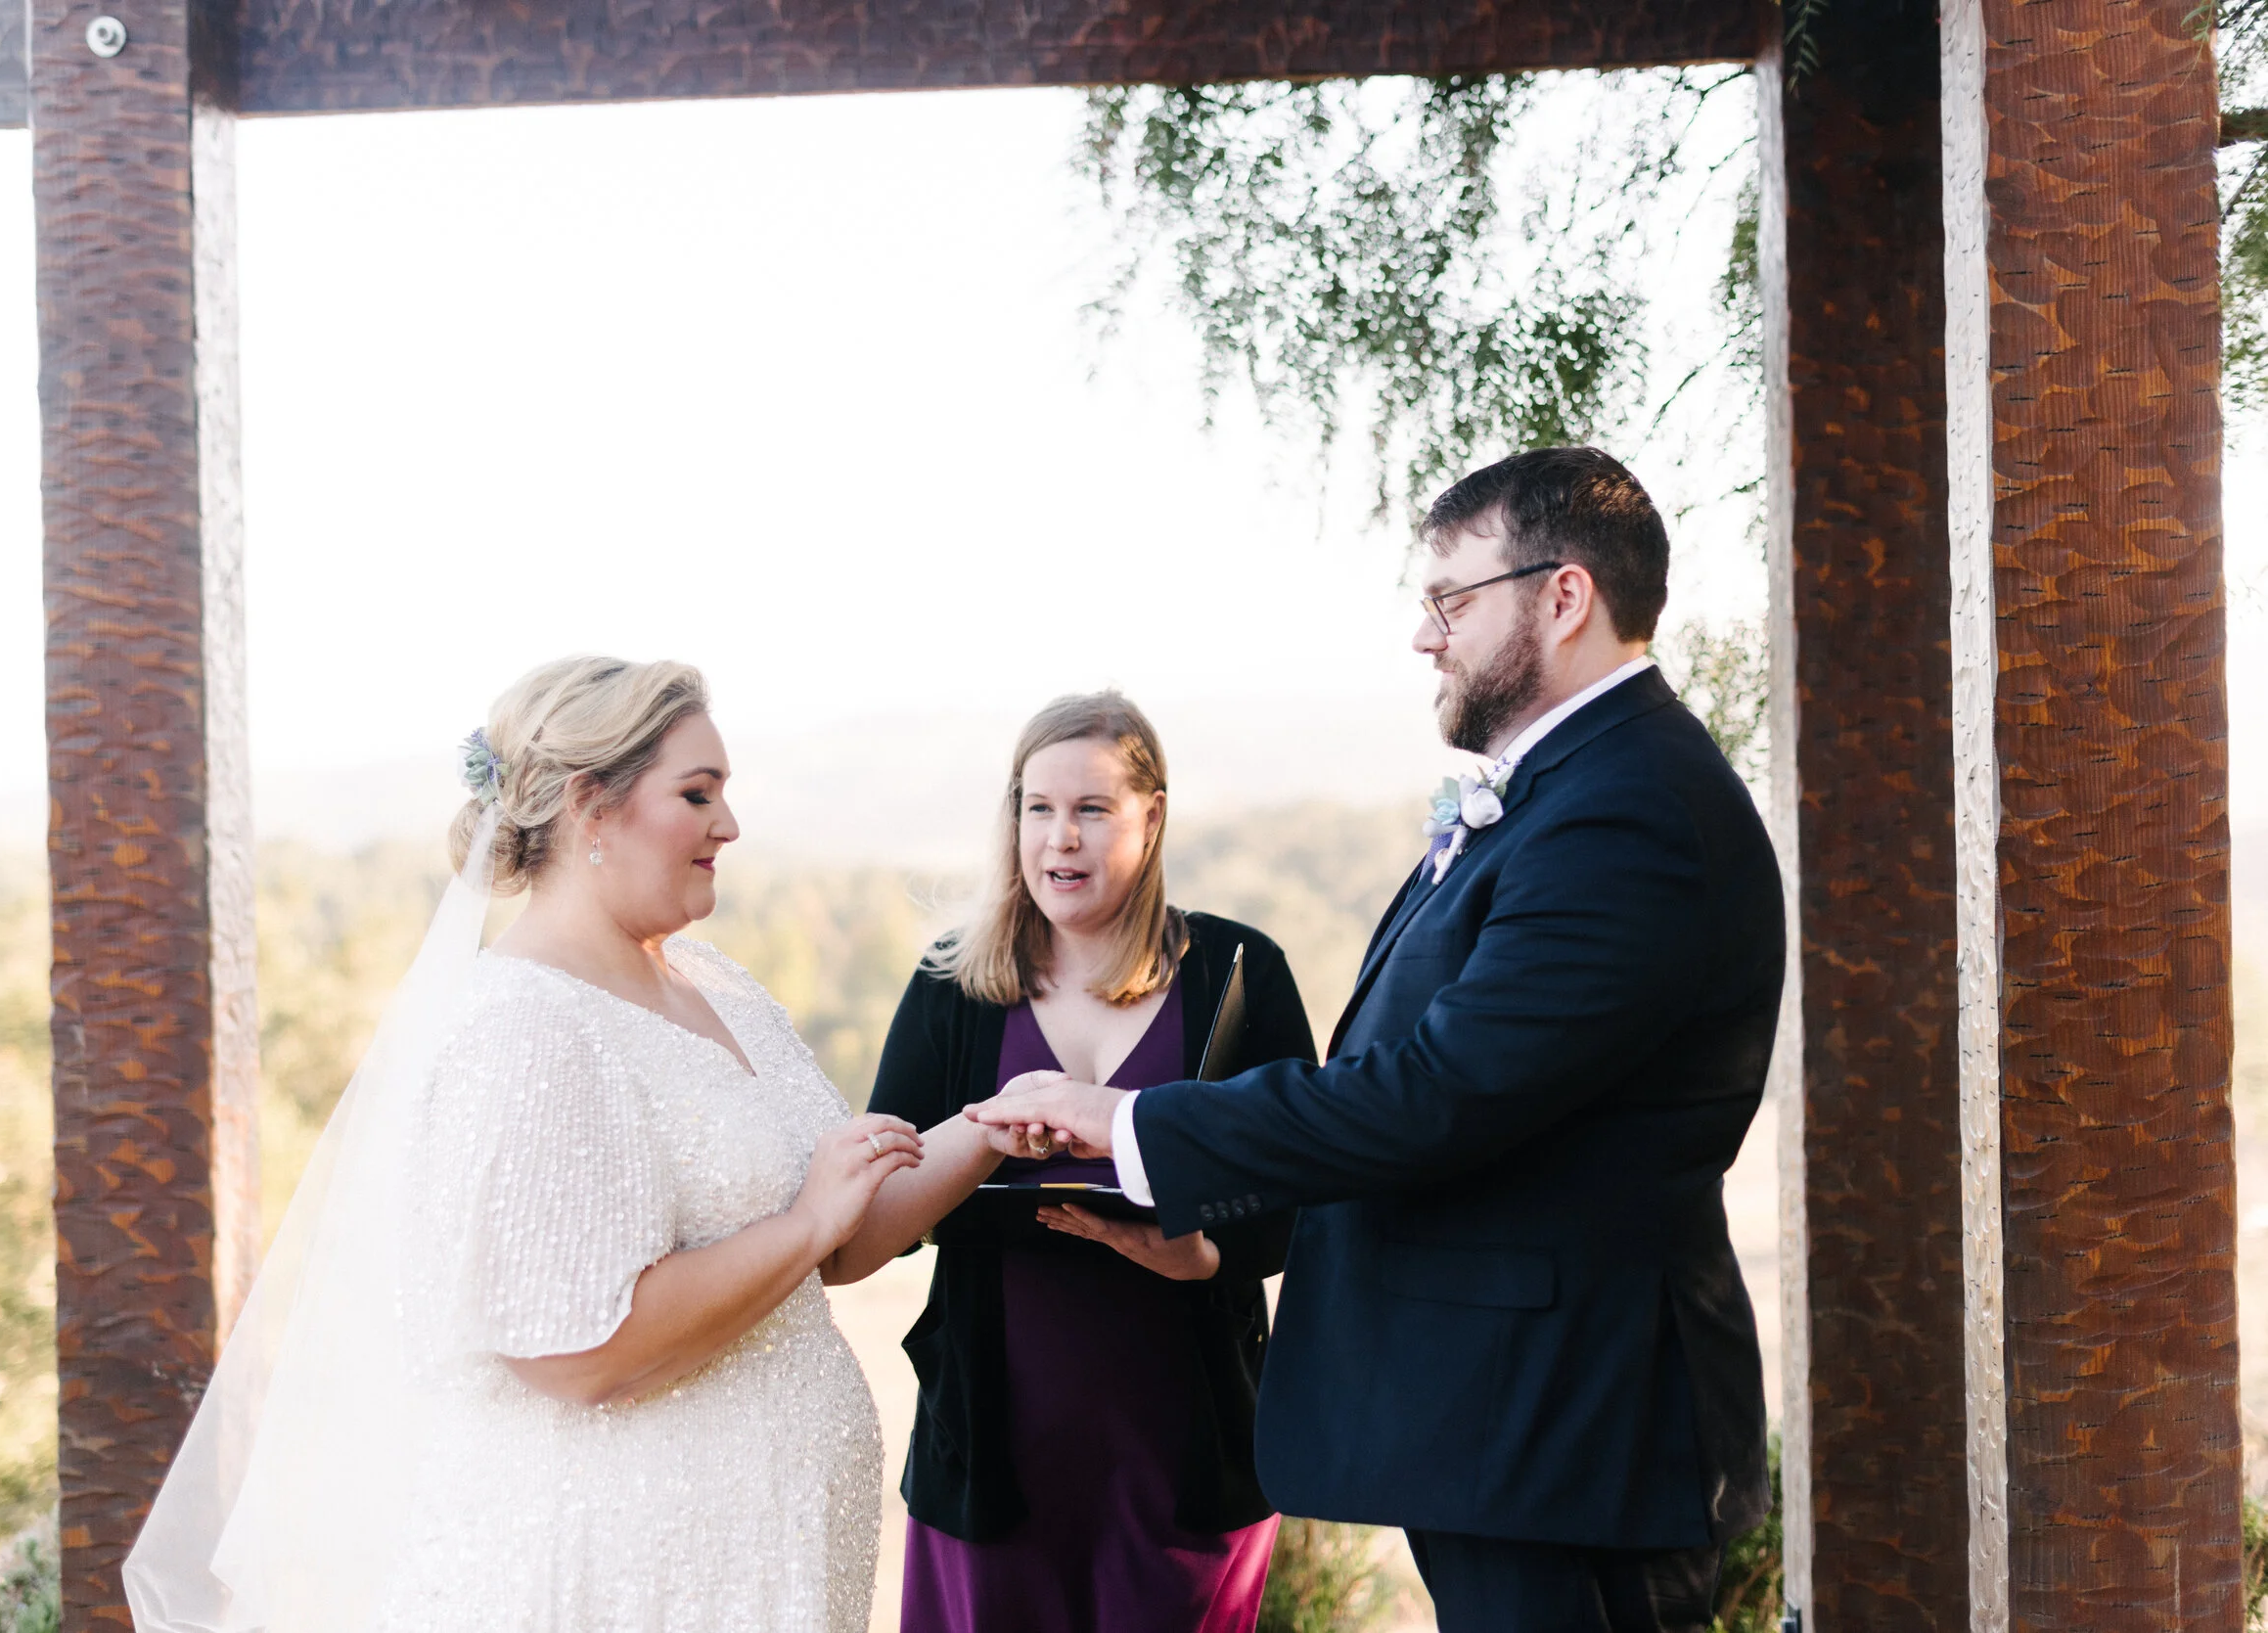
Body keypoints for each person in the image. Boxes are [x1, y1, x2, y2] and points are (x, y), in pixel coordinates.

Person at [971, 449, 1786, 1633]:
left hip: (1572, 1428)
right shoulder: (1580, 788)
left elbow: (1441, 1092)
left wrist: (1132, 1120)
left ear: (1563, 597)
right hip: (1522, 1427)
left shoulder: (1627, 808)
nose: (1424, 636)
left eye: (1450, 599)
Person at [123, 657, 983, 1633]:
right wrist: (803, 1222)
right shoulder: (523, 1028)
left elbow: (839, 1241)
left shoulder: (715, 983)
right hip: (626, 1574)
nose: (728, 826)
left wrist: (990, 1130)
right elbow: (577, 1352)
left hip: (765, 1561)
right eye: (696, 793)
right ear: (592, 808)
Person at [868, 692, 1317, 1633]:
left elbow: (1307, 1193)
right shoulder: (951, 983)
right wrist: (981, 1136)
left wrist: (1197, 1254)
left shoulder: (1240, 974)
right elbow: (881, 1206)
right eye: (1038, 808)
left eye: (1092, 809)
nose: (1059, 839)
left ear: (1151, 817)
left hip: (1184, 1452)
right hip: (994, 1447)